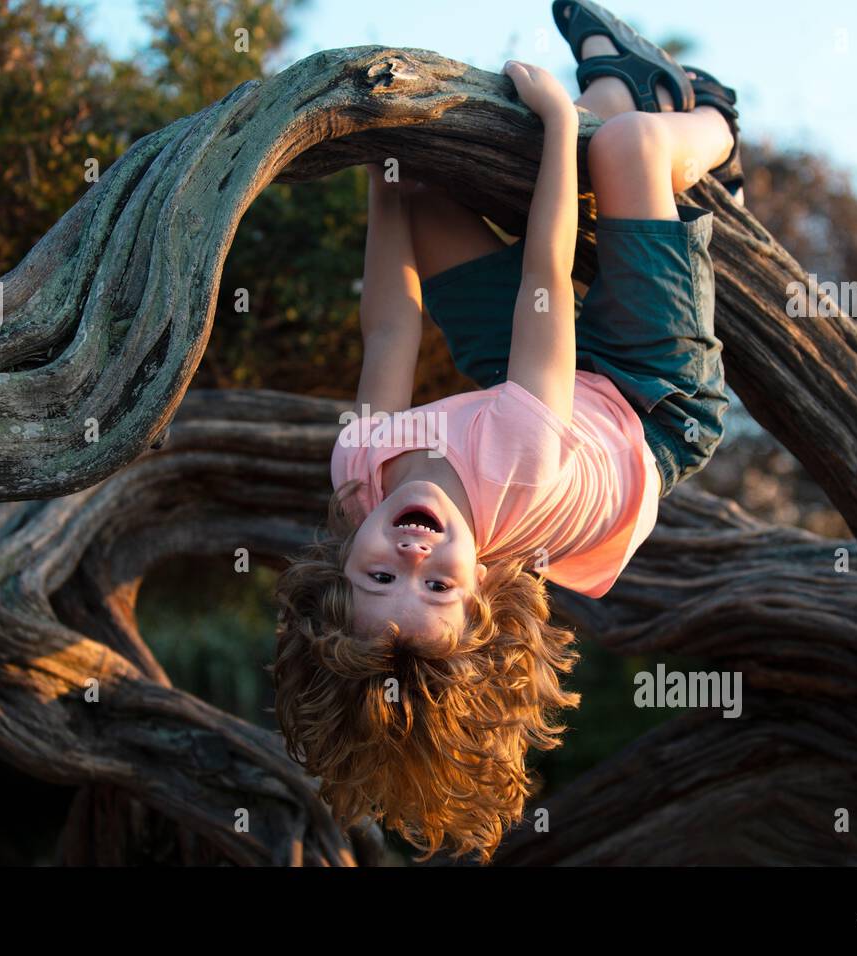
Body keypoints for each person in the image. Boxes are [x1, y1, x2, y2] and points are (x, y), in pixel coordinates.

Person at [273, 1, 740, 862]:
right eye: (439, 590)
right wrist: (561, 125)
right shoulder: (517, 469)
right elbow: (545, 279)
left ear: (342, 563)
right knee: (625, 148)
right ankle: (714, 125)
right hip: (648, 401)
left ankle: (633, 80)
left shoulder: (358, 472)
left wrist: (381, 173)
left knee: (421, 192)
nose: (411, 560)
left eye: (380, 576)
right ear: (484, 588)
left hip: (533, 385)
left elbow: (389, 330)